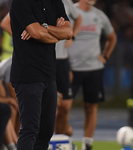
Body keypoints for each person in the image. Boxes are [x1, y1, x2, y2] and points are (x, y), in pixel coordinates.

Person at [10, 0, 73, 149]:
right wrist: (56, 34)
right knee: (30, 129)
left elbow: (68, 33)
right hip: (28, 74)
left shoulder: (55, 2)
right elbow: (36, 33)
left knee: (46, 131)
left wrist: (44, 27)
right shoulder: (20, 2)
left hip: (49, 74)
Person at [67, 0, 117, 150]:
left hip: (93, 69)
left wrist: (105, 56)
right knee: (62, 107)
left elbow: (112, 37)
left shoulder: (99, 15)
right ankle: (62, 138)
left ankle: (87, 143)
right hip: (71, 68)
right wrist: (64, 64)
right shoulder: (70, 11)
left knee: (91, 106)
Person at [55, 0, 82, 136]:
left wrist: (73, 36)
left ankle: (60, 139)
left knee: (65, 106)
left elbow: (78, 18)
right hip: (44, 60)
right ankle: (48, 139)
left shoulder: (66, 2)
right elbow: (6, 22)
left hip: (62, 61)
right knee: (50, 105)